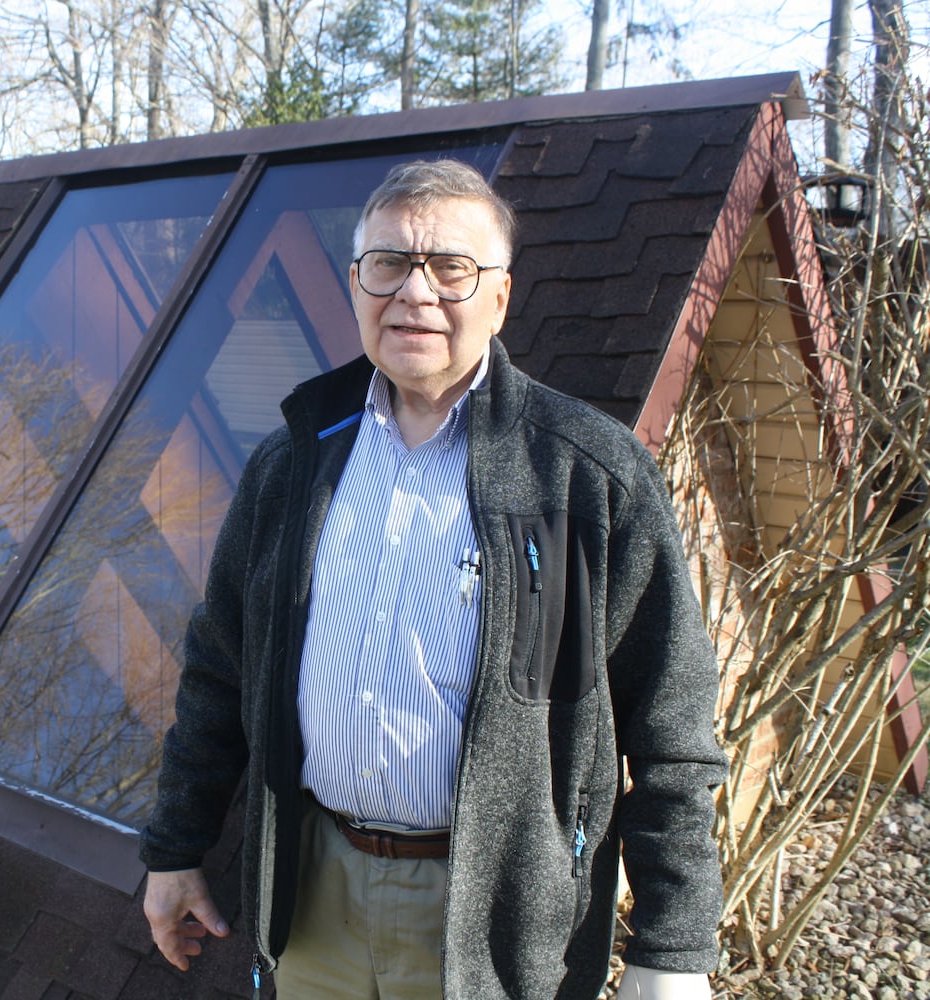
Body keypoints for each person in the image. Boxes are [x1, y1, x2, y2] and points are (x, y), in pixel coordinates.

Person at [139, 159, 727, 999]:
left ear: (499, 297)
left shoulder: (586, 476)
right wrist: (175, 847)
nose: (415, 293)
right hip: (314, 897)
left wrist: (672, 952)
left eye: (452, 268)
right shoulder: (293, 463)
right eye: (388, 264)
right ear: (354, 284)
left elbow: (671, 729)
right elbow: (218, 667)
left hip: (493, 924)